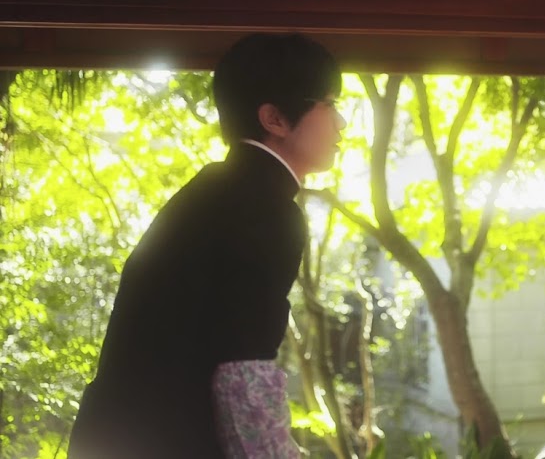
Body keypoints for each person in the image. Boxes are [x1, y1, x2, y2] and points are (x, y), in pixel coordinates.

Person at [68, 33, 346, 458]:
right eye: (329, 104)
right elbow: (243, 380)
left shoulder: (216, 190)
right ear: (274, 118)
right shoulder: (265, 207)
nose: (341, 123)